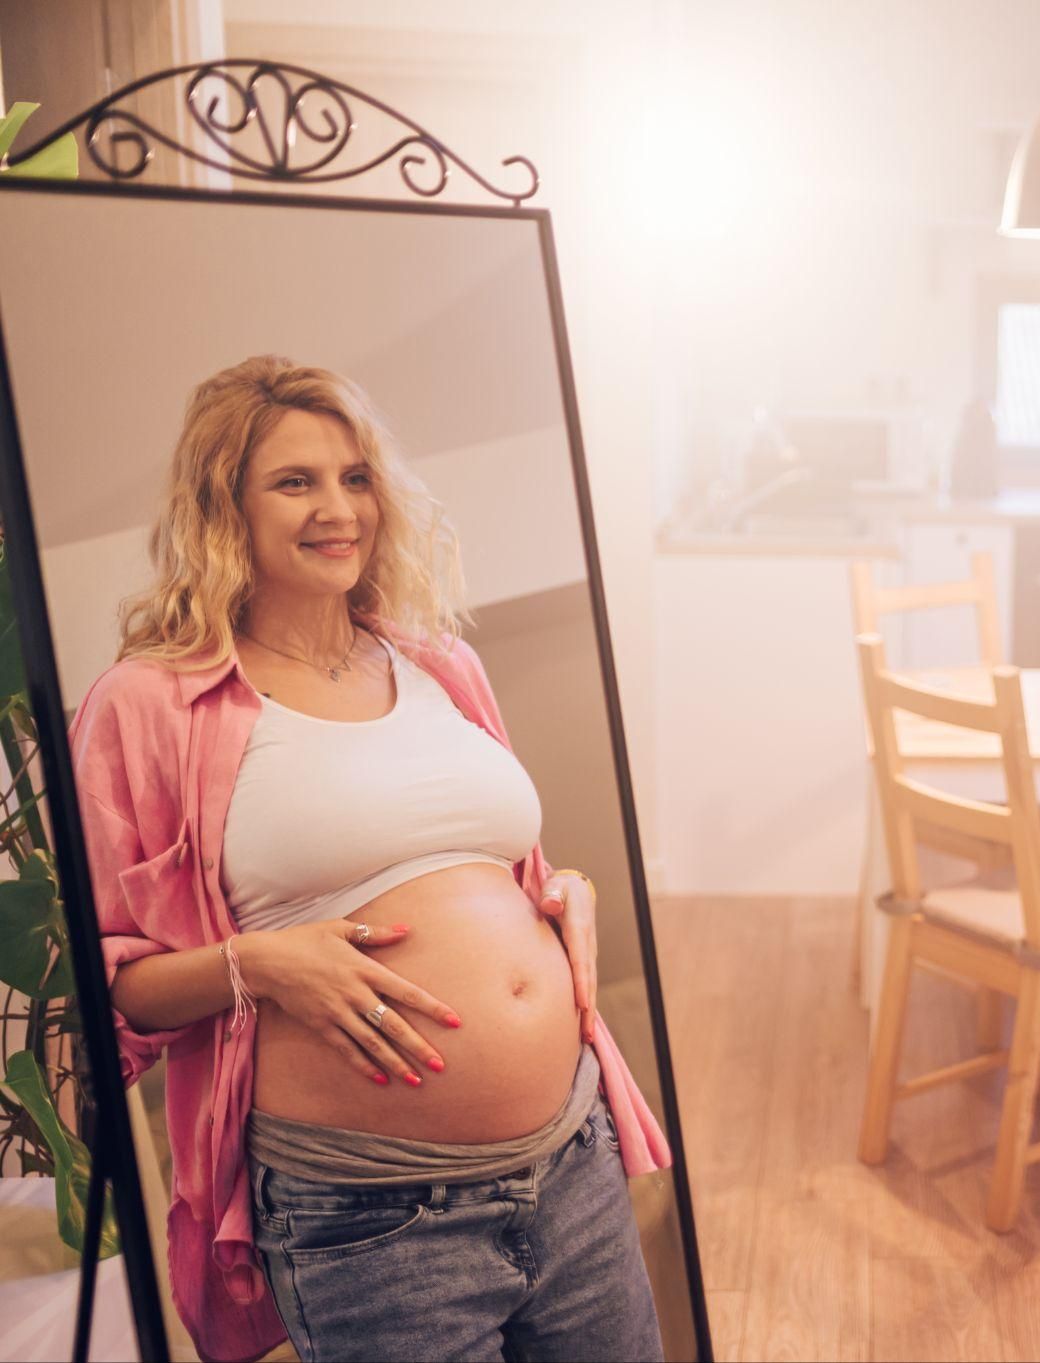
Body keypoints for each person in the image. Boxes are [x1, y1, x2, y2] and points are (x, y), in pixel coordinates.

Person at [70, 356, 672, 1361]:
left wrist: (570, 892)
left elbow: (496, 859)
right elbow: (106, 992)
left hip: (571, 1157)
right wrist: (254, 964)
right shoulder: (148, 701)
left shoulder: (438, 661)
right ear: (228, 505)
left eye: (354, 477)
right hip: (371, 1215)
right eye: (294, 481)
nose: (336, 508)